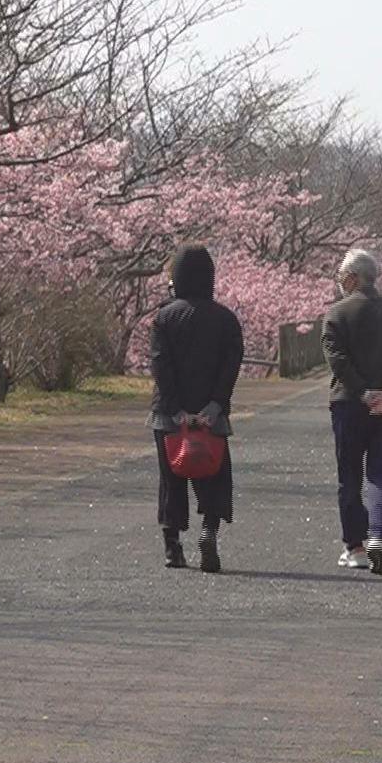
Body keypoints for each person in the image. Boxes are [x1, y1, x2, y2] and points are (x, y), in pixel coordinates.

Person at [321, 248, 382, 576]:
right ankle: (379, 535)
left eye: (341, 276)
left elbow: (337, 360)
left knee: (349, 474)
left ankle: (356, 547)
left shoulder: (337, 314)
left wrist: (363, 392)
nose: (339, 282)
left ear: (352, 277)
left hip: (348, 404)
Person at [149, 244, 244, 573]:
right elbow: (231, 367)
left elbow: (160, 366)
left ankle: (173, 547)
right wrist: (214, 406)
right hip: (211, 416)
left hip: (169, 416)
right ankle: (209, 531)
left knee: (170, 479)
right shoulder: (226, 320)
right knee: (215, 476)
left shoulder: (164, 318)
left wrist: (177, 411)